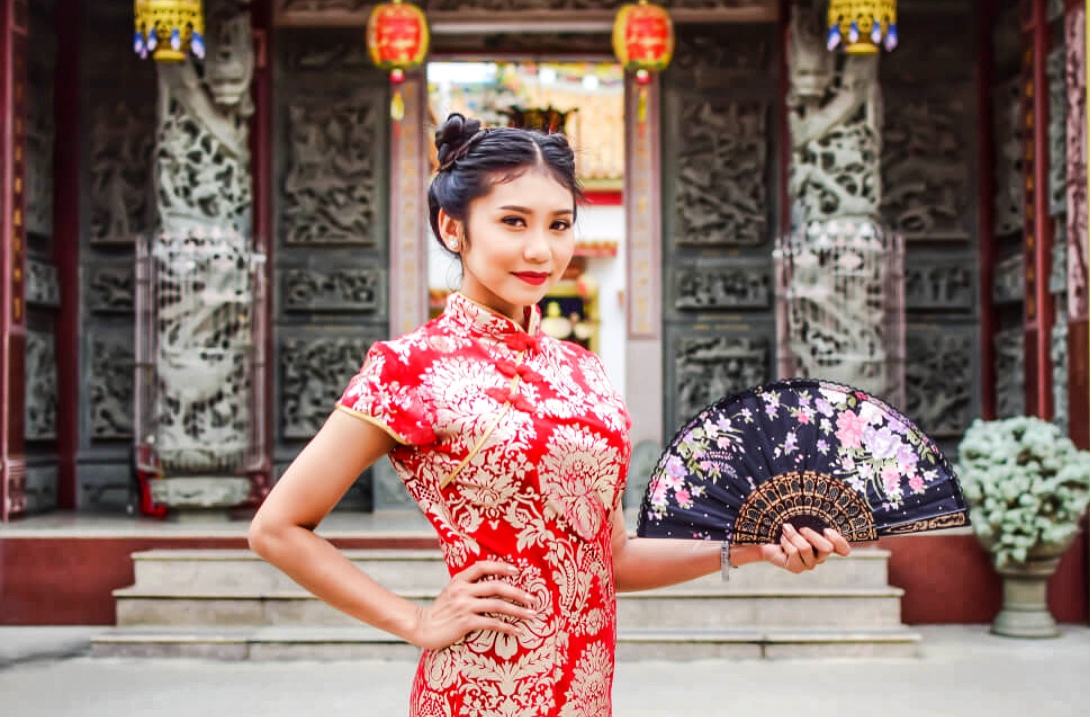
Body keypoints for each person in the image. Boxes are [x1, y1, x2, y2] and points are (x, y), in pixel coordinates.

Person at [248, 112, 852, 717]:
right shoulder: (410, 367)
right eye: (513, 221)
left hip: (585, 694)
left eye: (559, 224)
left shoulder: (583, 372)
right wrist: (415, 620)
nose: (541, 249)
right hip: (478, 692)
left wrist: (751, 545)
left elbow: (611, 557)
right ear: (452, 228)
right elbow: (276, 528)